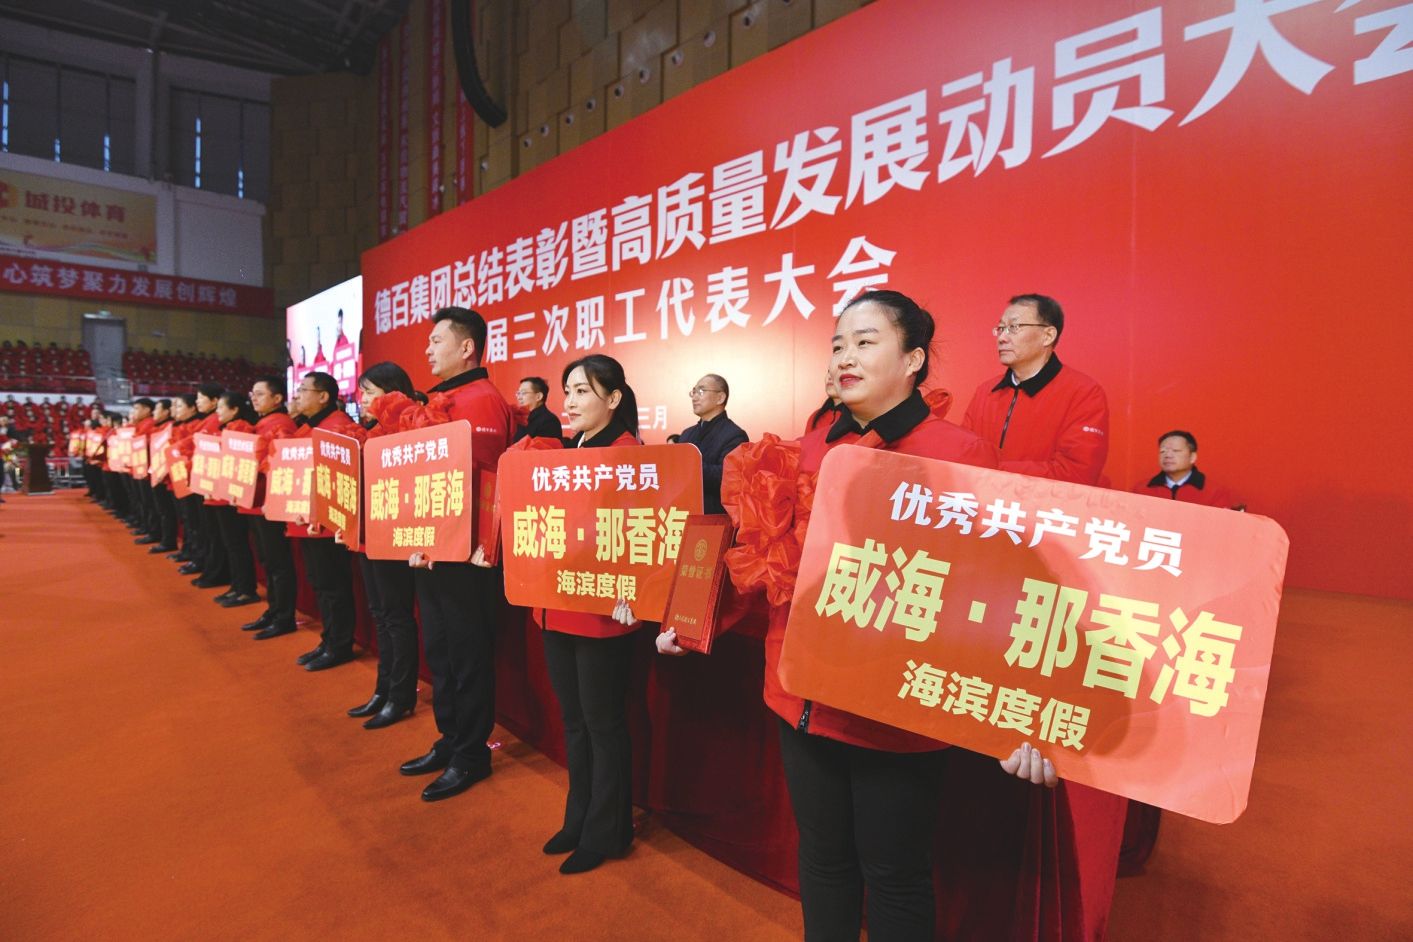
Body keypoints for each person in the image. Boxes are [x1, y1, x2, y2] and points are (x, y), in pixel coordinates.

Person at [663, 290, 1052, 941]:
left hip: (893, 715)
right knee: (822, 860)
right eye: (838, 343)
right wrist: (694, 619)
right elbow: (763, 561)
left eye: (866, 342)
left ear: (914, 359)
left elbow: (999, 593)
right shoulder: (805, 450)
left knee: (895, 875)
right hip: (798, 696)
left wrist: (1024, 712)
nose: (845, 355)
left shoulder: (959, 455)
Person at [374, 307, 516, 802]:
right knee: (440, 651)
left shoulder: (482, 400)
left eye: (437, 341)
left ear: (467, 347)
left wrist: (445, 539)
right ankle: (451, 739)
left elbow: (477, 483)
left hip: (466, 555)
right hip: (432, 551)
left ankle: (472, 754)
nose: (428, 349)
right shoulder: (444, 398)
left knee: (466, 655)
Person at [537, 355, 643, 876]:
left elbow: (644, 537)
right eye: (568, 391)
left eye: (582, 391)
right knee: (574, 722)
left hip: (603, 614)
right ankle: (577, 817)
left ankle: (608, 830)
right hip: (557, 605)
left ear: (613, 398)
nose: (571, 402)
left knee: (603, 724)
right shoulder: (569, 450)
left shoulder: (630, 456)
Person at [344, 362, 425, 728]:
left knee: (396, 616)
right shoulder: (371, 433)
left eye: (370, 393)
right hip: (368, 537)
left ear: (393, 393)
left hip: (395, 537)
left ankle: (401, 694)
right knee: (380, 614)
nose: (363, 400)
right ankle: (384, 688)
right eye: (362, 392)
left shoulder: (410, 429)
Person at [961, 293, 1109, 485]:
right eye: (1001, 328)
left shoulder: (1084, 393)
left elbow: (1076, 473)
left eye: (1014, 327)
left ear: (1048, 336)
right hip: (985, 502)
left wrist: (993, 471)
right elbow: (964, 456)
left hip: (1045, 504)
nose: (1002, 338)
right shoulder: (986, 392)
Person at [284, 371, 365, 671]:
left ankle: (340, 644)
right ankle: (329, 639)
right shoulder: (309, 428)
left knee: (333, 586)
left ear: (323, 396)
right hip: (307, 520)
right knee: (320, 583)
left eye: (304, 390)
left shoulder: (339, 427)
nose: (298, 395)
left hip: (329, 525)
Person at [241, 377, 300, 639]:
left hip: (271, 504)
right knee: (268, 560)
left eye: (260, 394)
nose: (254, 398)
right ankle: (274, 610)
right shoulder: (262, 423)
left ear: (277, 399)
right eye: (252, 394)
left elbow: (284, 464)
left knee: (278, 562)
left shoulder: (281, 424)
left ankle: (284, 616)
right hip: (257, 503)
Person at [209, 392, 262, 608]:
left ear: (234, 410)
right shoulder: (229, 428)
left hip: (234, 496)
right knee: (232, 544)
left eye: (221, 407)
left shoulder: (241, 429)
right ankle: (238, 586)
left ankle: (245, 589)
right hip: (225, 493)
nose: (217, 412)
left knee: (237, 544)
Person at [676, 374, 748, 515]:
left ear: (720, 398)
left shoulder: (735, 435)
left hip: (715, 518)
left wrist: (688, 467)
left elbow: (727, 477)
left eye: (701, 391)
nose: (694, 397)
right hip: (683, 515)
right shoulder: (686, 434)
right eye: (694, 392)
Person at [1134, 430, 1245, 509]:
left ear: (1192, 457)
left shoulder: (1215, 493)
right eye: (1162, 451)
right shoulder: (1141, 490)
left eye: (1176, 451)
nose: (1168, 455)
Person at [146, 399, 180, 555]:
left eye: (177, 406)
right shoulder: (160, 427)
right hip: (157, 472)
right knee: (160, 508)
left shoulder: (170, 427)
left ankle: (168, 541)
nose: (174, 409)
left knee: (168, 511)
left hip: (170, 475)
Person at [513, 376, 562, 441]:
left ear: (538, 397)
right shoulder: (519, 420)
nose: (519, 397)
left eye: (523, 393)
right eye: (518, 393)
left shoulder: (549, 421)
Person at [805, 369, 841, 434]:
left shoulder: (858, 417)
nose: (830, 377)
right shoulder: (815, 417)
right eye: (829, 372)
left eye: (838, 372)